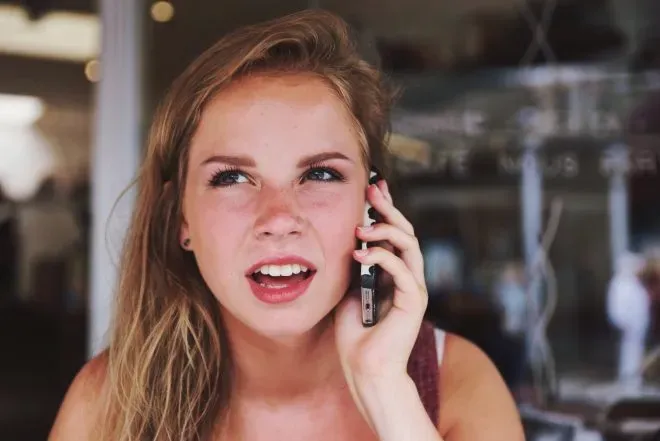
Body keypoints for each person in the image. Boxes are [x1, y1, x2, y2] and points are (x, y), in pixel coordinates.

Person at [48, 10, 523, 441]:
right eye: (232, 178)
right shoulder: (105, 406)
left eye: (320, 175)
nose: (278, 220)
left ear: (372, 205)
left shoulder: (458, 383)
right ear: (180, 218)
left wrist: (384, 388)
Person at [607, 252, 651, 389]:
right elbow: (616, 307)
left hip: (637, 327)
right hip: (629, 327)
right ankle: (629, 378)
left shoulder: (633, 283)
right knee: (629, 353)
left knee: (636, 352)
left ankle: (635, 378)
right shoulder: (620, 284)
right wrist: (623, 322)